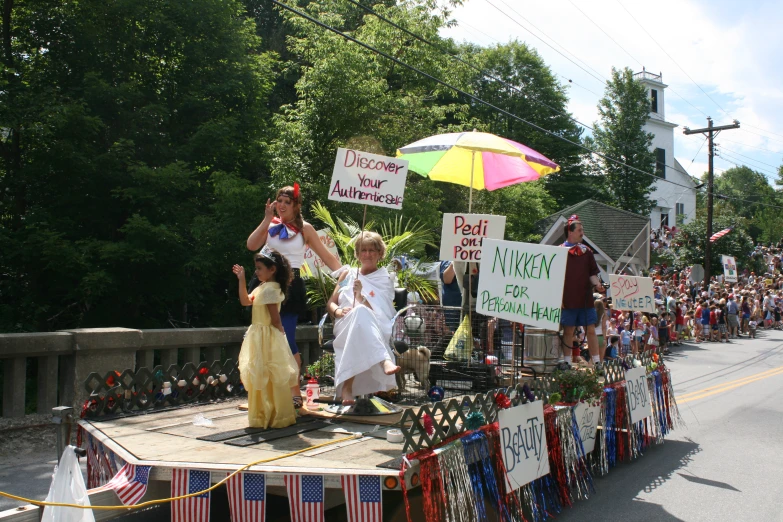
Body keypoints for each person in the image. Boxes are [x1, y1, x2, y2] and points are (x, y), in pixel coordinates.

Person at [246, 185, 341, 404]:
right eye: (279, 201)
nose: (281, 205)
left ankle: (295, 392)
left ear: (296, 205)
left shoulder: (305, 228)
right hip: (266, 283)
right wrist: (266, 219)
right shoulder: (271, 224)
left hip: (289, 285)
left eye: (286, 202)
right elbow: (251, 245)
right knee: (264, 338)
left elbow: (327, 257)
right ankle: (269, 392)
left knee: (286, 338)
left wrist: (346, 273)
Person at [326, 232, 400, 405]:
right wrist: (338, 312)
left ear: (380, 253)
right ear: (357, 254)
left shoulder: (385, 278)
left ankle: (347, 387)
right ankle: (384, 360)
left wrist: (360, 296)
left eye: (372, 250)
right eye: (363, 250)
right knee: (357, 314)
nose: (367, 254)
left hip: (374, 325)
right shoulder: (347, 275)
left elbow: (381, 313)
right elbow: (331, 302)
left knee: (361, 312)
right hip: (345, 322)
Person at [232, 248, 299, 429]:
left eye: (260, 268)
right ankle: (265, 413)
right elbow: (246, 301)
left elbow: (274, 317)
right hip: (259, 333)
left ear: (272, 269)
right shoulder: (263, 286)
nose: (257, 271)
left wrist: (280, 332)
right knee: (262, 372)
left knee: (269, 372)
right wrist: (242, 279)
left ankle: (272, 414)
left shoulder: (270, 289)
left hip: (266, 334)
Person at [558, 215, 605, 369]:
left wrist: (598, 285)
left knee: (590, 329)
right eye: (580, 230)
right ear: (570, 232)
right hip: (568, 299)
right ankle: (566, 361)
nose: (582, 233)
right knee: (569, 330)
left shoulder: (587, 252)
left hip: (585, 298)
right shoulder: (559, 251)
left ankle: (597, 361)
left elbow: (592, 274)